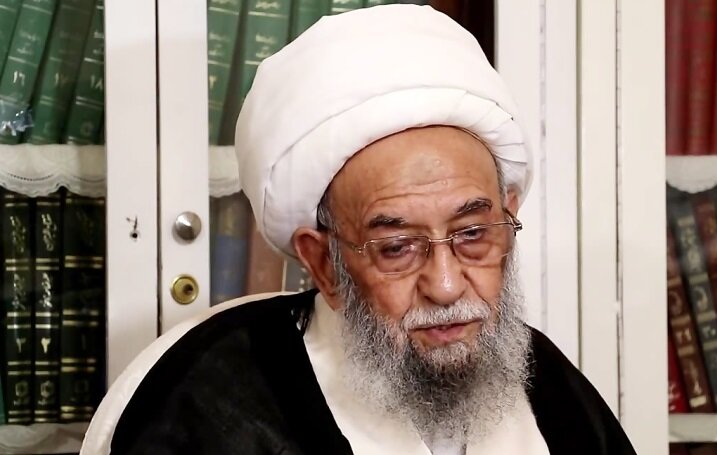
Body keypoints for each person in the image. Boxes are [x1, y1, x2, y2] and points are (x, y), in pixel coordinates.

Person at [89, 4, 636, 454]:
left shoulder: (556, 396)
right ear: (323, 263)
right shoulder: (206, 405)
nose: (447, 286)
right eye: (397, 247)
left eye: (473, 234)